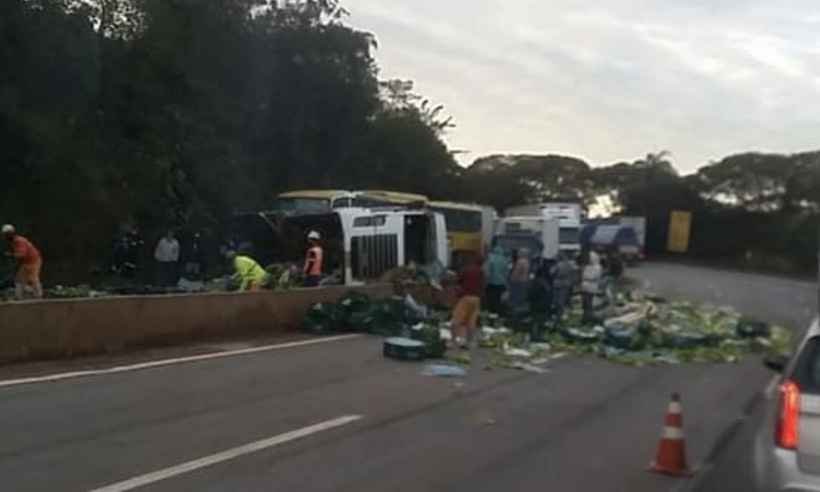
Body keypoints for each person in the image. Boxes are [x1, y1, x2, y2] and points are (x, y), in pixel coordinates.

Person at [450, 256, 485, 349]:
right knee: (471, 322)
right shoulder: (481, 272)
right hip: (476, 298)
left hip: (466, 297)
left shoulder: (467, 270)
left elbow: (458, 281)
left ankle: (453, 341)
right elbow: (483, 285)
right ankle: (469, 342)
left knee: (456, 319)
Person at [2, 224, 43, 300]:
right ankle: (18, 296)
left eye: (7, 234)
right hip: (25, 262)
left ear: (12, 233)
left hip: (33, 260)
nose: (6, 236)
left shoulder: (19, 241)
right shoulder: (13, 242)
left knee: (33, 278)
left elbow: (22, 254)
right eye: (5, 234)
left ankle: (38, 296)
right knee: (19, 280)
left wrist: (11, 255)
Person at [483, 245, 509, 314]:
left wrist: (485, 282)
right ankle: (497, 314)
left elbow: (487, 272)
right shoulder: (505, 260)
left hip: (491, 283)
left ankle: (490, 314)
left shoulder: (490, 259)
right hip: (501, 284)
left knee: (490, 300)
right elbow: (506, 273)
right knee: (498, 300)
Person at [552, 252, 576, 322]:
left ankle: (558, 315)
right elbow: (573, 274)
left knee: (557, 300)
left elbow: (552, 272)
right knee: (563, 300)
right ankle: (561, 314)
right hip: (566, 284)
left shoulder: (557, 265)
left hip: (557, 283)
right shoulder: (570, 265)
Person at [581, 250, 603, 324]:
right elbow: (583, 275)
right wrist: (586, 276)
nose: (589, 259)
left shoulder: (598, 267)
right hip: (584, 288)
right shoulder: (588, 266)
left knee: (589, 304)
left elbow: (593, 276)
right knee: (584, 304)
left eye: (590, 258)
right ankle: (585, 318)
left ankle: (590, 318)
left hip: (591, 288)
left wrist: (587, 277)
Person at [507, 248, 531, 315]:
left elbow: (516, 272)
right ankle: (520, 312)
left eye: (519, 252)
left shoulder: (520, 261)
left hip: (518, 282)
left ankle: (513, 312)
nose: (518, 254)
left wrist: (511, 279)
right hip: (524, 281)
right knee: (521, 297)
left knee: (515, 297)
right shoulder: (527, 262)